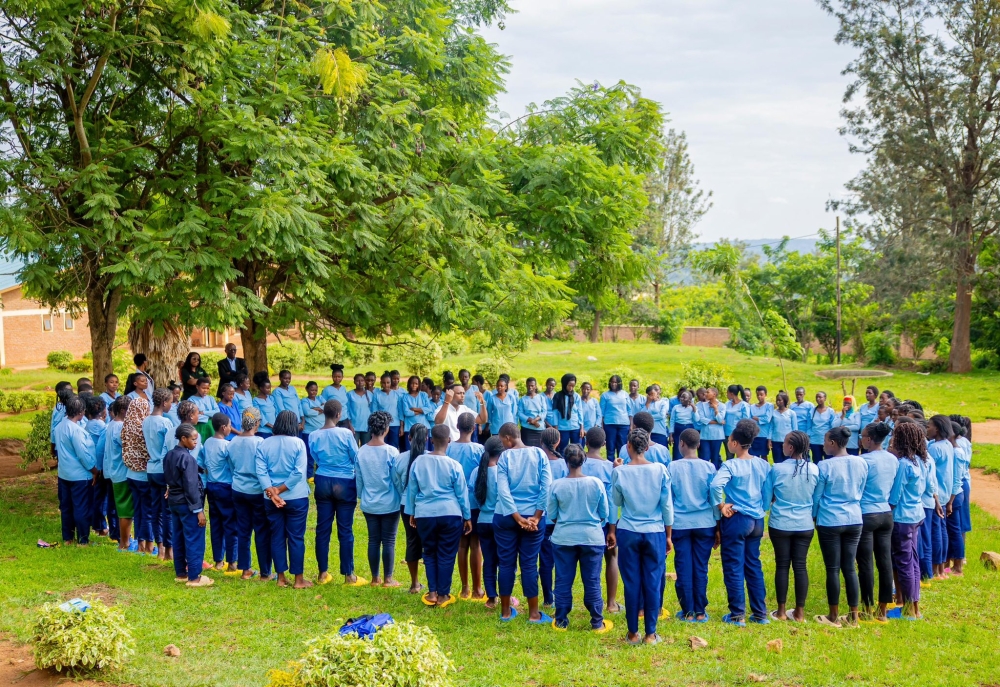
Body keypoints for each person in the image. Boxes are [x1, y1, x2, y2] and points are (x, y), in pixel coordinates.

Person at [610, 428, 673, 645]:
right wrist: (668, 534)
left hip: (628, 530)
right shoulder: (660, 470)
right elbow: (667, 506)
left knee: (632, 581)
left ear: (628, 447)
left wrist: (618, 470)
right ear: (647, 447)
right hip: (655, 530)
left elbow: (617, 502)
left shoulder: (620, 471)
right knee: (653, 581)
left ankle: (632, 633)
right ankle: (650, 634)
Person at [711, 419, 770, 627]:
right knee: (753, 564)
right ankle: (760, 614)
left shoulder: (731, 464)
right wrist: (761, 508)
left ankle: (737, 615)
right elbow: (768, 491)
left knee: (734, 566)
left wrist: (721, 506)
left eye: (729, 440)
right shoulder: (763, 464)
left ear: (735, 443)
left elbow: (716, 485)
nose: (728, 442)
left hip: (737, 519)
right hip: (757, 520)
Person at [548, 443, 612, 633]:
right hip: (592, 537)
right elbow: (604, 513)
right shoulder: (595, 483)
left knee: (562, 579)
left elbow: (552, 514)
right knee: (592, 580)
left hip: (563, 538)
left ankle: (561, 620)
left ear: (565, 462)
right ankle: (596, 621)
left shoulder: (557, 485)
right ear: (583, 460)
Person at [406, 424, 472, 608]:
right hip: (450, 513)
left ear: (431, 440)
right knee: (446, 554)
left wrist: (412, 512)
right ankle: (443, 594)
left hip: (424, 513)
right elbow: (462, 494)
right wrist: (467, 516)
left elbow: (412, 489)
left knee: (429, 552)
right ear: (449, 441)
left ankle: (433, 592)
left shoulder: (418, 462)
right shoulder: (454, 465)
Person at [494, 422, 552, 623]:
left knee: (506, 563)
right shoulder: (539, 454)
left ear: (508, 438)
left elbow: (503, 490)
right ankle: (534, 614)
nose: (502, 444)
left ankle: (506, 612)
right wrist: (536, 516)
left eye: (502, 440)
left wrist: (516, 516)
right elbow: (546, 487)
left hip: (506, 517)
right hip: (533, 519)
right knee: (529, 564)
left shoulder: (505, 457)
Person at [813, 426, 868, 627]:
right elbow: (861, 489)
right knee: (850, 568)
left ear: (833, 443)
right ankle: (854, 617)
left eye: (826, 441)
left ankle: (833, 616)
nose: (824, 444)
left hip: (830, 520)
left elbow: (818, 495)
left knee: (832, 569)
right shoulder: (861, 462)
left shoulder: (824, 466)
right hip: (854, 518)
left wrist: (813, 516)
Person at [761, 430, 817, 622]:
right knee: (800, 566)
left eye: (784, 443)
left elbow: (766, 499)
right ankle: (800, 613)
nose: (782, 445)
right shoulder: (814, 469)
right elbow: (815, 499)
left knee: (782, 566)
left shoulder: (776, 469)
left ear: (790, 448)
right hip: (805, 523)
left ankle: (782, 611)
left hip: (780, 523)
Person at [256, 410, 311, 588]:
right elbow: (299, 472)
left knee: (276, 536)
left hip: (270, 498)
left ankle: (280, 577)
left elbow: (261, 471)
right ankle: (298, 579)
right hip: (296, 496)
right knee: (296, 537)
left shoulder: (264, 444)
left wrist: (272, 491)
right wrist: (280, 490)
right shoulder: (298, 443)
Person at [310, 400, 363, 586]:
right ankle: (349, 575)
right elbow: (355, 457)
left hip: (323, 480)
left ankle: (322, 573)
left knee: (322, 529)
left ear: (324, 413)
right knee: (345, 530)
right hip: (344, 481)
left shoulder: (313, 435)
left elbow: (315, 458)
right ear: (339, 415)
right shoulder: (346, 433)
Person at [668, 428, 717, 623]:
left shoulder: (672, 467)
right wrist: (718, 526)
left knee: (683, 566)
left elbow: (668, 500)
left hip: (680, 524)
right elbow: (715, 498)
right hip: (705, 523)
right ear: (699, 445)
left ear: (681, 444)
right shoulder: (709, 468)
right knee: (700, 567)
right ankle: (700, 610)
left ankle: (688, 610)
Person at [887, 421, 933, 620]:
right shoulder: (921, 461)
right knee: (912, 562)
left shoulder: (904, 464)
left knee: (904, 563)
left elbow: (895, 496)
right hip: (916, 514)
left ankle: (908, 611)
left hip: (902, 518)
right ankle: (914, 607)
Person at [356, 409, 404, 588]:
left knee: (373, 539)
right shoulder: (392, 452)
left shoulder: (361, 451)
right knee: (389, 540)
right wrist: (401, 495)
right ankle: (388, 579)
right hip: (390, 502)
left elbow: (359, 479)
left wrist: (362, 496)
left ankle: (375, 578)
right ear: (385, 429)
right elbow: (397, 479)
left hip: (370, 503)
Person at [163, 423, 213, 587]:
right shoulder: (188, 459)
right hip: (187, 503)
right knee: (194, 538)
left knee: (178, 536)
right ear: (183, 439)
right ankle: (194, 577)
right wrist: (199, 510)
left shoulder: (169, 455)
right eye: (193, 440)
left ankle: (181, 573)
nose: (195, 443)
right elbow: (191, 487)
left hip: (174, 502)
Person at [857, 421, 897, 622]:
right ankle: (882, 610)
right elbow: (896, 491)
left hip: (866, 513)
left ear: (870, 440)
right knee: (885, 561)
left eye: (863, 436)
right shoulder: (893, 459)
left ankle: (866, 607)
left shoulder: (864, 461)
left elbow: (858, 489)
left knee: (865, 563)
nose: (861, 439)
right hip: (886, 513)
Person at [227, 409, 272, 580]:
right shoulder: (260, 442)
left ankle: (245, 569)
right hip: (256, 490)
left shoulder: (232, 442)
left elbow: (231, 466)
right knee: (261, 530)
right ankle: (265, 572)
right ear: (257, 423)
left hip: (238, 489)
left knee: (243, 529)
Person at [446, 413, 486, 600]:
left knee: (462, 544)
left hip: (455, 501)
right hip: (475, 501)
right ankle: (478, 589)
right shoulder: (479, 449)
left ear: (456, 426)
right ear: (473, 428)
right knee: (475, 544)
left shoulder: (449, 448)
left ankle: (464, 588)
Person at [583, 427, 620, 613]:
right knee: (611, 556)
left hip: (579, 520)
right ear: (605, 444)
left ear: (586, 442)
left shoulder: (576, 463)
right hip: (603, 523)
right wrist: (612, 529)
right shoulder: (610, 468)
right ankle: (611, 603)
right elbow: (613, 501)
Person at [471, 437, 510, 609]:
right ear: (501, 453)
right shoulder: (503, 472)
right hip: (500, 520)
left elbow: (475, 496)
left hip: (483, 520)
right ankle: (505, 596)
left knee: (488, 560)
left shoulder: (477, 471)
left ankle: (491, 598)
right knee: (504, 560)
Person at [55, 396, 97, 546]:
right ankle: (83, 539)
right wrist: (94, 470)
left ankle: (68, 538)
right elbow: (83, 454)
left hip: (64, 473)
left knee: (66, 507)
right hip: (79, 476)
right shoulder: (76, 431)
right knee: (81, 507)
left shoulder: (59, 426)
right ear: (80, 412)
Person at [143, 389, 178, 561]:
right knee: (167, 512)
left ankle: (160, 548)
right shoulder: (165, 423)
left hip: (150, 470)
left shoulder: (146, 421)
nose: (171, 405)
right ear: (164, 403)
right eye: (170, 402)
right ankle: (169, 550)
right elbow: (170, 449)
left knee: (155, 510)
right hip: (163, 470)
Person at [395, 424, 429, 594]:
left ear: (409, 438)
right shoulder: (431, 458)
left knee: (412, 541)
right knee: (430, 543)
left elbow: (396, 482)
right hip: (427, 505)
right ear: (427, 439)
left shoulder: (400, 459)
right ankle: (434, 584)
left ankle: (415, 583)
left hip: (406, 504)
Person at [203, 413, 238, 574]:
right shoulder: (227, 446)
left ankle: (218, 561)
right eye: (230, 425)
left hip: (211, 485)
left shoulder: (208, 442)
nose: (231, 428)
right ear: (224, 428)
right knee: (230, 524)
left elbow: (203, 463)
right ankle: (232, 562)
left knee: (216, 523)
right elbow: (233, 467)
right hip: (226, 486)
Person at [122, 381, 154, 554]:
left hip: (130, 474)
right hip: (143, 474)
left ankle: (140, 543)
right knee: (147, 511)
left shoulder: (126, 425)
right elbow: (147, 451)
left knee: (138, 510)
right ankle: (148, 545)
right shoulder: (143, 427)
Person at [537, 428, 567, 609]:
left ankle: (548, 597)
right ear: (558, 442)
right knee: (561, 560)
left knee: (545, 560)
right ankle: (560, 596)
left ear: (541, 442)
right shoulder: (564, 464)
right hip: (560, 520)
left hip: (540, 518)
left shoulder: (537, 462)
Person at [926, 415, 958, 580]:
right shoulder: (947, 445)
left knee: (936, 532)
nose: (927, 429)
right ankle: (941, 567)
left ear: (937, 428)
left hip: (936, 496)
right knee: (942, 530)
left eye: (929, 426)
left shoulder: (935, 448)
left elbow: (929, 474)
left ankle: (936, 569)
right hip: (945, 494)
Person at [104, 397, 135, 551]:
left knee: (122, 508)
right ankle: (125, 542)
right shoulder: (121, 427)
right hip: (122, 473)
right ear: (124, 410)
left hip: (114, 471)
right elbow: (128, 446)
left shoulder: (111, 424)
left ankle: (125, 540)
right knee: (125, 510)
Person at [84, 397, 113, 539]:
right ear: (104, 412)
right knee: (102, 498)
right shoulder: (102, 427)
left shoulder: (87, 424)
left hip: (90, 465)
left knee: (96, 496)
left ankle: (96, 524)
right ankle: (101, 526)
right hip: (99, 466)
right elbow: (101, 449)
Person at [600, 375, 630, 461]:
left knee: (622, 447)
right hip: (609, 424)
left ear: (619, 383)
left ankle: (622, 465)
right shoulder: (605, 395)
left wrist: (631, 425)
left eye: (615, 382)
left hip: (624, 424)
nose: (613, 384)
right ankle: (610, 465)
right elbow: (601, 412)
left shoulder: (625, 394)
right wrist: (602, 427)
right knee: (610, 447)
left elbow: (629, 410)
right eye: (612, 382)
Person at [298, 381, 324, 478]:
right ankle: (309, 475)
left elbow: (326, 407)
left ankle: (319, 473)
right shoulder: (305, 401)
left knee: (320, 453)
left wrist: (316, 408)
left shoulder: (320, 398)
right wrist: (320, 410)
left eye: (315, 390)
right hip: (308, 432)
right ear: (307, 389)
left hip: (320, 431)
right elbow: (307, 412)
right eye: (311, 390)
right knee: (309, 454)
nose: (314, 392)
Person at [695, 387, 725, 468]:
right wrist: (717, 422)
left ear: (714, 394)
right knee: (705, 457)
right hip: (705, 435)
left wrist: (716, 409)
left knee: (715, 458)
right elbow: (701, 419)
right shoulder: (701, 405)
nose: (705, 394)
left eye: (708, 392)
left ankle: (714, 477)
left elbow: (720, 418)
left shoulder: (722, 406)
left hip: (717, 436)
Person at [400, 376, 433, 450]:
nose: (414, 385)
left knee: (424, 450)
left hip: (423, 426)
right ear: (409, 384)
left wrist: (415, 409)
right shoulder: (405, 397)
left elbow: (429, 409)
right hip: (409, 427)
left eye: (416, 383)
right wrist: (421, 411)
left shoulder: (423, 395)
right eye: (412, 383)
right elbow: (406, 412)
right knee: (410, 451)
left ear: (419, 385)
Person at [373, 371, 404, 448]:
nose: (386, 385)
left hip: (395, 424)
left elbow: (400, 411)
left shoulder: (397, 395)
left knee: (394, 447)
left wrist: (401, 426)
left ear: (391, 383)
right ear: (380, 383)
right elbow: (374, 412)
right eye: (384, 383)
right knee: (382, 446)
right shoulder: (377, 395)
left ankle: (394, 460)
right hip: (382, 425)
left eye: (388, 382)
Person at [552, 374, 583, 449]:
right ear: (564, 384)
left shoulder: (576, 396)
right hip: (562, 428)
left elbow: (580, 412)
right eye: (569, 385)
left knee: (576, 449)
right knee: (562, 449)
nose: (571, 388)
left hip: (575, 427)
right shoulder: (557, 396)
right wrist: (556, 428)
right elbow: (555, 413)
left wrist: (581, 427)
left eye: (573, 386)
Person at [769, 391, 799, 464]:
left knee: (788, 461)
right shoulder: (773, 413)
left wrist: (794, 440)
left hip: (788, 441)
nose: (778, 402)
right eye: (777, 400)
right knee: (777, 461)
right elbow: (771, 427)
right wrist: (769, 439)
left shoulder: (791, 413)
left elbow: (795, 428)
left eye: (780, 400)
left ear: (785, 401)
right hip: (776, 440)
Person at [485, 376, 518, 440]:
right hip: (496, 427)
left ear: (505, 387)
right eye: (497, 386)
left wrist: (513, 423)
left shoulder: (511, 397)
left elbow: (514, 411)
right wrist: (491, 423)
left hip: (509, 426)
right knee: (498, 446)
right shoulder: (492, 398)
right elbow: (489, 413)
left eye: (501, 386)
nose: (499, 387)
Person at [723, 385, 751, 460]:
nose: (727, 395)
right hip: (727, 433)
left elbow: (746, 420)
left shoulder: (743, 405)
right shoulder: (727, 404)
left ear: (731, 394)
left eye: (727, 393)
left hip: (738, 434)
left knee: (741, 455)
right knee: (729, 455)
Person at [516, 377, 546, 447]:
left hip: (539, 428)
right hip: (527, 429)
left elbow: (544, 411)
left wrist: (535, 420)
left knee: (540, 449)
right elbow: (520, 413)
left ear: (535, 386)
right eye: (528, 385)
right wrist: (530, 420)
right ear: (526, 386)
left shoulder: (541, 398)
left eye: (532, 386)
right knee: (527, 450)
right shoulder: (522, 399)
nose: (530, 387)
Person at [668, 390, 697, 462]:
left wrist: (694, 409)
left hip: (688, 428)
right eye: (681, 397)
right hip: (678, 429)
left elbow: (696, 419)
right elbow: (672, 421)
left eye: (684, 398)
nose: (682, 399)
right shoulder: (676, 407)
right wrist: (671, 435)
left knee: (689, 448)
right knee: (677, 449)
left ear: (689, 400)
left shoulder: (692, 408)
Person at [190, 377, 220, 444]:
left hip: (211, 426)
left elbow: (217, 412)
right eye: (203, 388)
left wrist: (203, 412)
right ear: (197, 387)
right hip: (199, 426)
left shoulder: (211, 399)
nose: (205, 390)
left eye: (207, 388)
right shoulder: (191, 400)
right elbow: (194, 416)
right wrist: (209, 416)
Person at [346, 373, 374, 444]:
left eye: (362, 380)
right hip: (354, 427)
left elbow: (373, 410)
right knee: (354, 448)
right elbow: (347, 410)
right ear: (354, 382)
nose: (360, 383)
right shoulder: (350, 394)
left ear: (364, 382)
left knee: (365, 449)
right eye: (357, 381)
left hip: (366, 426)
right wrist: (350, 425)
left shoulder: (369, 394)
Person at [809, 392, 835, 462]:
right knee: (816, 461)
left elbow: (833, 426)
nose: (818, 399)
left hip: (827, 441)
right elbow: (809, 426)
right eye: (817, 397)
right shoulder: (812, 411)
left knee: (828, 461)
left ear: (825, 398)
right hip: (815, 441)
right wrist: (808, 438)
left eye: (820, 397)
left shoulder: (830, 411)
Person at [748, 386, 773, 459]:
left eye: (761, 394)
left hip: (764, 435)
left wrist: (757, 418)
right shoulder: (752, 406)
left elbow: (767, 419)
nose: (759, 397)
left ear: (765, 395)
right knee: (753, 456)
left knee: (764, 456)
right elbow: (750, 419)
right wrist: (761, 418)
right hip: (754, 435)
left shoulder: (769, 406)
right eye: (758, 395)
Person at [252, 372, 276, 438]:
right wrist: (272, 426)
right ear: (261, 388)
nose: (269, 390)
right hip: (263, 431)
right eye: (267, 388)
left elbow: (276, 412)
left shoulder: (271, 398)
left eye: (270, 388)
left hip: (274, 431)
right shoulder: (255, 400)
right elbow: (260, 416)